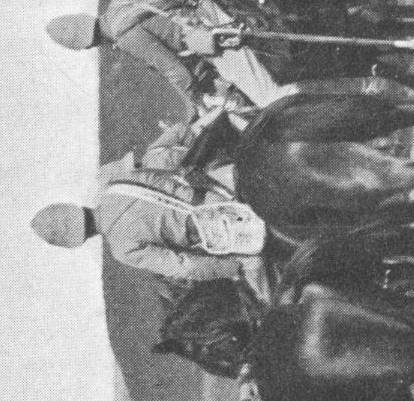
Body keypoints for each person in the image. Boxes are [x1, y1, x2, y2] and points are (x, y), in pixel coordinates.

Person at [31, 115, 271, 294]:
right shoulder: (117, 181)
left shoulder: (122, 249)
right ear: (76, 208)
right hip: (216, 192)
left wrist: (229, 269)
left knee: (260, 280)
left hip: (219, 232)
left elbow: (184, 266)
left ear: (82, 238)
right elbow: (168, 170)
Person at [45, 0, 283, 119]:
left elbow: (176, 71)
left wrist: (197, 100)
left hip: (214, 30)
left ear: (91, 44)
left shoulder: (124, 36)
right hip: (211, 2)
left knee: (270, 100)